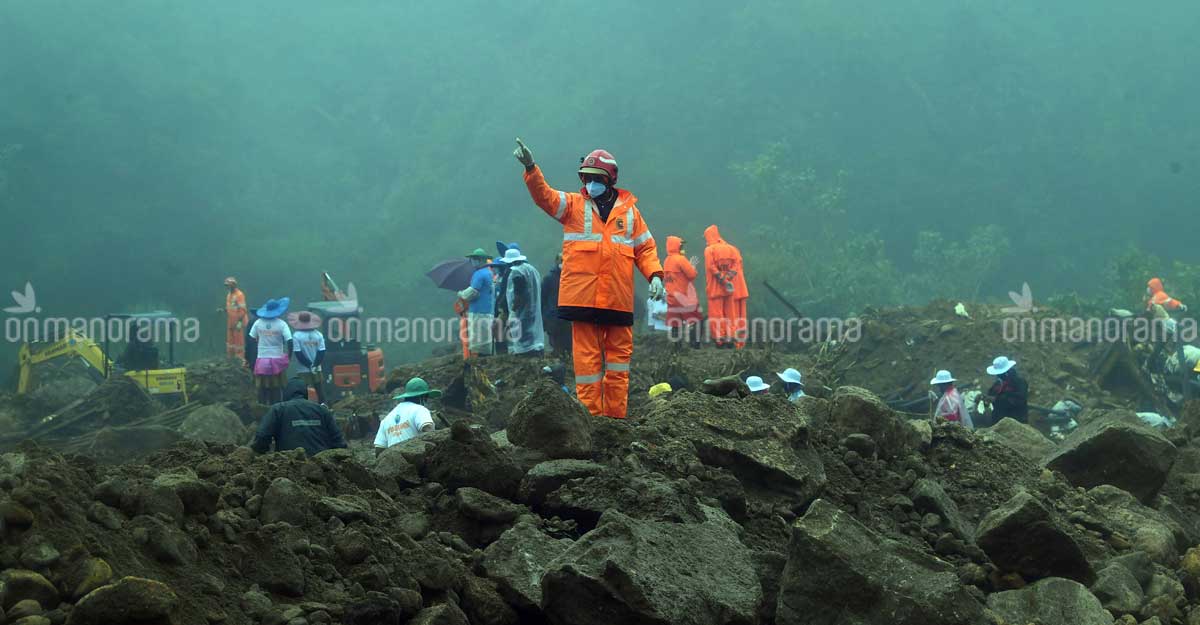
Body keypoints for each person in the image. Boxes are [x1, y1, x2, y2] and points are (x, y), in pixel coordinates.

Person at [514, 138, 664, 418]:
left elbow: (645, 248)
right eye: (586, 177)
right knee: (587, 367)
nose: (590, 183)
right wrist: (531, 169)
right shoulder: (573, 206)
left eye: (596, 178)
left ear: (610, 179)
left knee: (619, 366)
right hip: (583, 301)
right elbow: (544, 196)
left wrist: (655, 274)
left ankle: (616, 421)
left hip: (618, 301)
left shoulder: (630, 213)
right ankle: (591, 421)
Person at [250, 376, 347, 455]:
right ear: (305, 392)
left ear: (286, 392)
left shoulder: (278, 409)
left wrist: (261, 453)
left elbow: (262, 436)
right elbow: (339, 441)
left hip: (289, 466)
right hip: (321, 467)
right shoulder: (322, 410)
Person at [703, 225, 749, 348]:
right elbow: (736, 266)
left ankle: (720, 340)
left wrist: (722, 279)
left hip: (715, 288)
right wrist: (728, 279)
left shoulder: (709, 250)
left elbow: (710, 267)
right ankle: (734, 340)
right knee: (733, 316)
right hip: (731, 289)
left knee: (716, 315)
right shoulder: (732, 249)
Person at [374, 378, 441, 454]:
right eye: (426, 398)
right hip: (415, 460)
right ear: (422, 397)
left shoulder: (386, 419)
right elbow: (429, 431)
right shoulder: (420, 409)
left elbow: (379, 449)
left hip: (393, 461)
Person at [249, 298, 293, 404]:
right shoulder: (281, 324)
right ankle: (276, 411)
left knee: (262, 388)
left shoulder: (258, 322)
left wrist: (253, 358)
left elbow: (251, 339)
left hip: (262, 360)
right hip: (277, 360)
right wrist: (289, 357)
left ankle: (263, 411)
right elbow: (290, 341)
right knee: (276, 389)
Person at [502, 248, 545, 356]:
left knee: (523, 334)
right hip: (533, 307)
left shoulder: (517, 272)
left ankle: (526, 353)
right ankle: (535, 352)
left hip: (523, 310)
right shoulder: (531, 269)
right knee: (532, 333)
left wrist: (513, 309)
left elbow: (519, 294)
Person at [663, 235, 703, 342]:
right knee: (696, 320)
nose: (682, 248)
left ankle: (676, 349)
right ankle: (695, 346)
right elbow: (692, 275)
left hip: (671, 298)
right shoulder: (681, 259)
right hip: (684, 297)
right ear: (677, 246)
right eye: (681, 246)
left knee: (675, 324)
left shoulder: (667, 260)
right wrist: (692, 266)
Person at [458, 248, 496, 357]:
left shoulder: (479, 274)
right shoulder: (489, 273)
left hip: (478, 311)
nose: (473, 261)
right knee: (485, 339)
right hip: (488, 311)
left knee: (478, 341)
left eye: (475, 259)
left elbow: (472, 292)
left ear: (480, 260)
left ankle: (480, 361)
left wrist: (461, 294)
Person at [289, 311, 327, 404]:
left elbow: (298, 354)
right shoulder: (318, 335)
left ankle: (304, 407)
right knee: (320, 390)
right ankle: (324, 406)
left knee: (303, 390)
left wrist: (309, 365)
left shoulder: (296, 336)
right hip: (317, 368)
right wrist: (315, 365)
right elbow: (321, 352)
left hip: (303, 369)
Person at [541, 254, 571, 357]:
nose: (563, 262)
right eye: (561, 260)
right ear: (556, 261)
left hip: (567, 318)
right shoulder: (549, 278)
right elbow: (543, 298)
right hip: (553, 317)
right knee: (556, 346)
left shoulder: (570, 277)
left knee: (568, 345)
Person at [985, 356, 1029, 423]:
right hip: (998, 420)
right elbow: (991, 395)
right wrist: (985, 398)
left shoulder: (1020, 383)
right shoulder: (998, 383)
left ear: (1007, 372)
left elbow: (1019, 400)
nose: (997, 375)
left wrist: (997, 399)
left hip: (1016, 420)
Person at [221, 277, 249, 361]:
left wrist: (239, 322)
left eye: (229, 285)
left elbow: (243, 310)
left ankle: (240, 360)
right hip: (231, 322)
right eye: (227, 286)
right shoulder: (229, 295)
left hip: (239, 322)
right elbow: (231, 307)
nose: (227, 287)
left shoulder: (239, 295)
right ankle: (231, 359)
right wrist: (223, 310)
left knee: (239, 342)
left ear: (233, 285)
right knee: (231, 341)